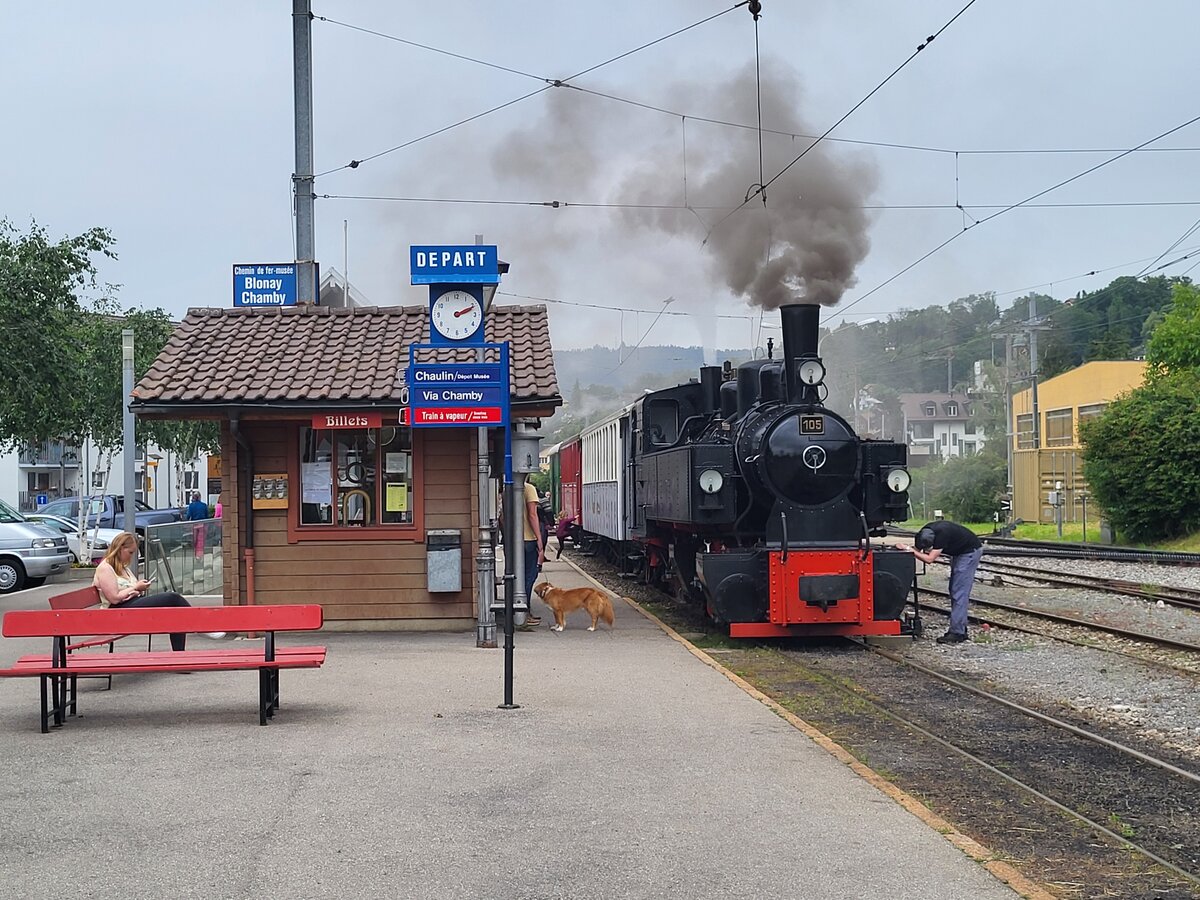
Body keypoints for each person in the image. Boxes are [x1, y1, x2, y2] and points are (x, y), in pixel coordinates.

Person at [92, 532, 224, 650]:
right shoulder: (105, 568)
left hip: (129, 606)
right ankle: (202, 626)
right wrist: (135, 588)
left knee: (175, 613)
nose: (131, 557)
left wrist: (139, 589)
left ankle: (179, 658)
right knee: (173, 598)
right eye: (130, 552)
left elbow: (130, 591)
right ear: (120, 548)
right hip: (116, 613)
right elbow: (114, 598)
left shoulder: (123, 568)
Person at [903, 520, 984, 644]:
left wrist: (908, 549)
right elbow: (917, 551)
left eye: (929, 548)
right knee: (954, 589)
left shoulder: (942, 535)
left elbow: (930, 559)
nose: (927, 550)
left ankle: (957, 633)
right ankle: (960, 626)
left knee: (959, 592)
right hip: (959, 552)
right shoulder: (924, 533)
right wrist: (906, 550)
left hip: (969, 552)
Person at [520, 480, 545, 628]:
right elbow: (532, 515)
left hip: (513, 541)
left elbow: (502, 518)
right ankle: (525, 611)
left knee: (517, 577)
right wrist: (539, 539)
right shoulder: (529, 489)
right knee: (529, 576)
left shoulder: (505, 490)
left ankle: (519, 611)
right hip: (528, 539)